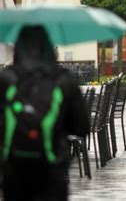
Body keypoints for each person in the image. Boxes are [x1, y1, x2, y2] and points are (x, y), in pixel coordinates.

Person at [0, 26, 89, 200]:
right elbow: (82, 127)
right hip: (53, 167)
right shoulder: (64, 78)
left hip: (14, 168)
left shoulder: (6, 78)